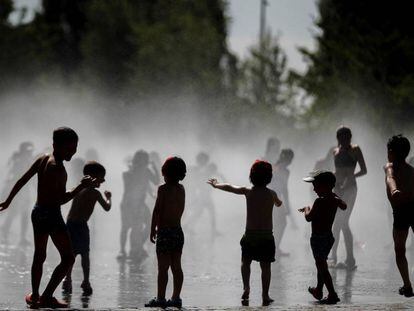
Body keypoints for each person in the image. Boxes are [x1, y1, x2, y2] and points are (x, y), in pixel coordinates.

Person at [0, 127, 94, 308]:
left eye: (75, 148)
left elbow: (22, 180)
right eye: (69, 148)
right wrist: (81, 187)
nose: (73, 152)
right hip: (51, 214)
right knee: (68, 258)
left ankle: (35, 296)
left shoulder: (43, 159)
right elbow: (60, 199)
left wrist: (8, 200)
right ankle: (47, 296)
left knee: (39, 255)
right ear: (55, 146)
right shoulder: (56, 168)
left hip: (38, 211)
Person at [208, 160, 282, 306]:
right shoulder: (271, 193)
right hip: (266, 236)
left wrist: (216, 185)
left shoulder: (248, 191)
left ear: (251, 176)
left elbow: (230, 187)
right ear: (269, 178)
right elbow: (279, 203)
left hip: (250, 235)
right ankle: (265, 295)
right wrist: (278, 202)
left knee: (245, 262)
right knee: (265, 267)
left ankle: (246, 287)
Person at [62, 161, 111, 296]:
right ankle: (84, 281)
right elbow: (107, 207)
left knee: (73, 254)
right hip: (79, 226)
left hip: (72, 224)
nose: (104, 180)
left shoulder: (79, 189)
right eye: (102, 177)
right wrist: (109, 198)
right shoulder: (94, 193)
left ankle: (69, 279)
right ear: (94, 177)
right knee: (83, 254)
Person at [299, 170, 347, 304]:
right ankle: (319, 289)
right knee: (322, 264)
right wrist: (336, 200)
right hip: (328, 238)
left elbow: (309, 218)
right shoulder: (334, 198)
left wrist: (306, 208)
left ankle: (332, 294)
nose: (314, 189)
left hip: (318, 238)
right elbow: (344, 206)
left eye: (316, 186)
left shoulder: (319, 202)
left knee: (322, 266)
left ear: (325, 186)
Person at [145, 157, 186, 308]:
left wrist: (152, 229)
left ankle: (161, 298)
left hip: (165, 232)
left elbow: (157, 210)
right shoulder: (181, 189)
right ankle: (176, 297)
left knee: (163, 268)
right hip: (178, 231)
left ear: (165, 173)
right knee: (177, 266)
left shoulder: (163, 189)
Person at [329, 126, 367, 269]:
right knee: (336, 225)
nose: (345, 140)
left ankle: (350, 259)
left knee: (343, 222)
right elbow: (337, 171)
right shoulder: (335, 151)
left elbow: (364, 170)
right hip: (337, 188)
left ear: (350, 137)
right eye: (342, 137)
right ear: (338, 138)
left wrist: (351, 177)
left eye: (347, 137)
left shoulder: (355, 149)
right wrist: (330, 177)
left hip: (350, 189)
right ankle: (334, 257)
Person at [384, 135, 414, 297]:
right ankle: (407, 286)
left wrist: (395, 190)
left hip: (403, 210)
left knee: (400, 249)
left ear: (390, 152)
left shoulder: (390, 167)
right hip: (405, 209)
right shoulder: (409, 169)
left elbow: (391, 179)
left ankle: (408, 285)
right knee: (400, 248)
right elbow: (391, 178)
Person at [118, 150, 159, 260]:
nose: (142, 163)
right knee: (126, 227)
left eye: (144, 161)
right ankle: (123, 250)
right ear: (137, 161)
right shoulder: (128, 173)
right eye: (141, 160)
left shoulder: (146, 171)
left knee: (150, 224)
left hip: (140, 204)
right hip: (128, 204)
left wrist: (154, 167)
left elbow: (156, 181)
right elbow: (129, 187)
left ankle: (138, 247)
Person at [1, 141, 35, 245]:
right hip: (18, 189)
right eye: (29, 150)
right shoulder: (20, 160)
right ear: (24, 150)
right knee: (14, 212)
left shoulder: (24, 159)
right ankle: (6, 231)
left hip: (23, 189)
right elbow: (20, 175)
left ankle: (21, 236)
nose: (30, 152)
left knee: (23, 213)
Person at [271, 149, 296, 256]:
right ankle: (274, 248)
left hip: (277, 199)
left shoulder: (285, 171)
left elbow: (285, 189)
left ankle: (275, 248)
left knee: (279, 223)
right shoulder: (275, 169)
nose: (290, 161)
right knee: (279, 224)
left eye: (291, 159)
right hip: (271, 199)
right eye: (290, 159)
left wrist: (287, 205)